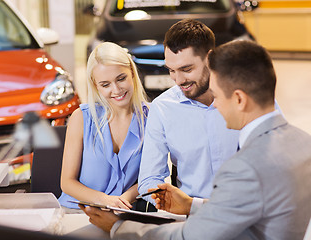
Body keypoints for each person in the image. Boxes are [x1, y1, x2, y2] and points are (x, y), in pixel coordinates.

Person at [81, 40, 311, 239]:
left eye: (218, 97)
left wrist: (118, 227)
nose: (214, 106)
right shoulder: (304, 143)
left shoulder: (244, 168)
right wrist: (191, 205)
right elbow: (246, 209)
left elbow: (188, 237)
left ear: (239, 99)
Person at [137, 19, 239, 206]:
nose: (178, 80)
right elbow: (149, 179)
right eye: (172, 71)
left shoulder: (243, 95)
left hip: (245, 212)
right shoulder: (162, 108)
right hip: (190, 215)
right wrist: (159, 195)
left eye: (186, 69)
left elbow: (274, 162)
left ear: (210, 58)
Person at [58, 42, 149, 211]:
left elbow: (151, 177)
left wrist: (122, 201)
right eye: (105, 84)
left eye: (121, 79)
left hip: (123, 212)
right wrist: (104, 200)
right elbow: (67, 182)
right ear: (95, 85)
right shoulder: (82, 118)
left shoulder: (150, 118)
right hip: (76, 211)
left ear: (132, 74)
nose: (116, 90)